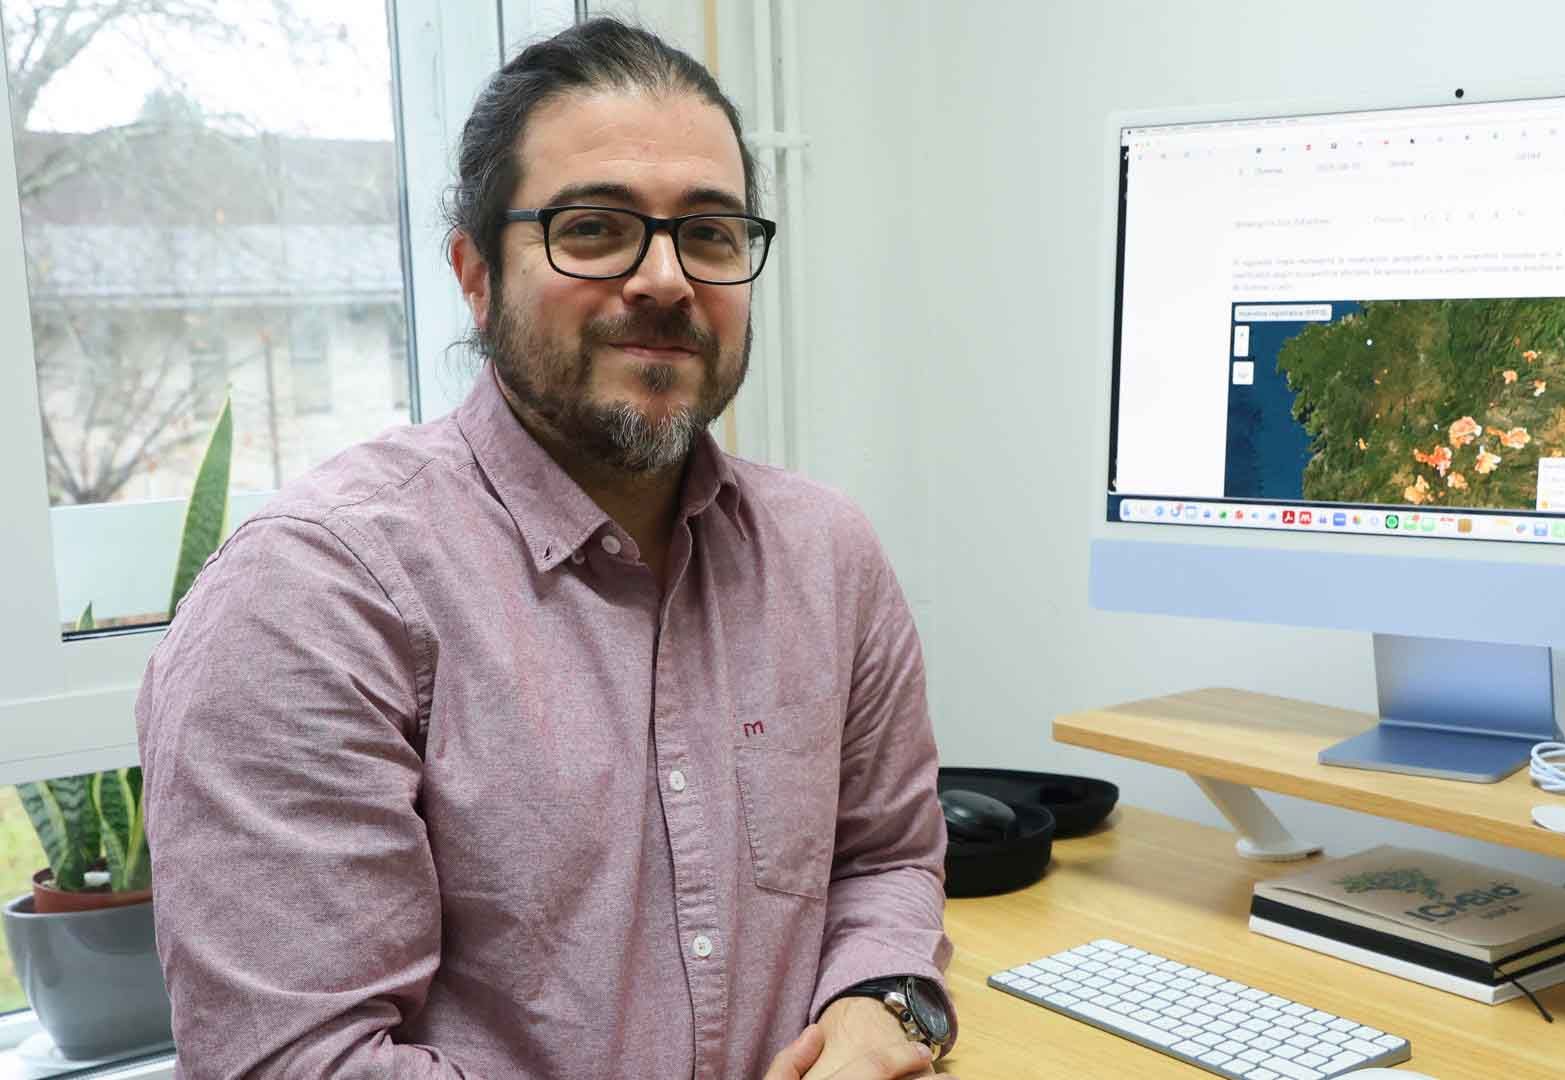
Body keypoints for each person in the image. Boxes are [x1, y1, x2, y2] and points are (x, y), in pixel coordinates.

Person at [136, 17, 954, 1080]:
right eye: (596, 227)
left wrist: (884, 1000)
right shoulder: (310, 598)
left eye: (708, 234)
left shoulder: (827, 558)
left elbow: (884, 854)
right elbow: (302, 1063)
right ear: (475, 274)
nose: (664, 278)